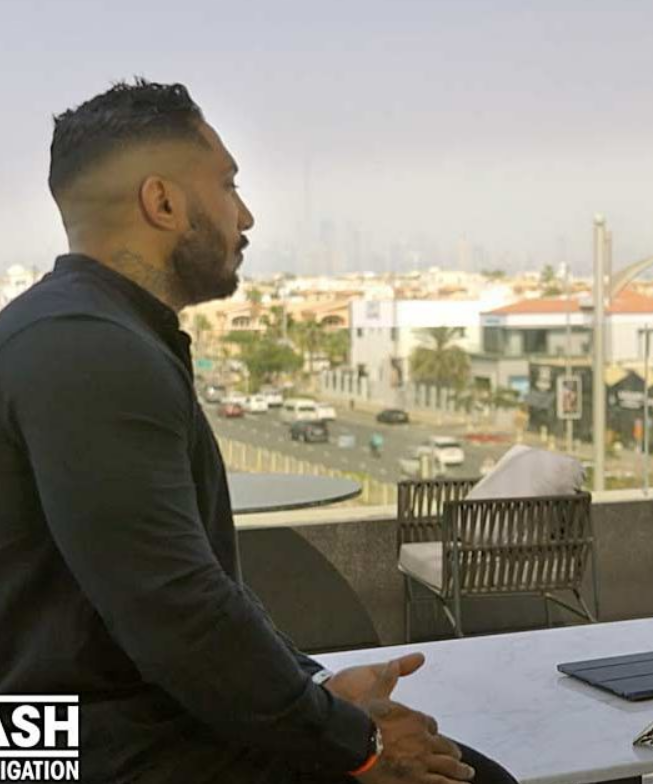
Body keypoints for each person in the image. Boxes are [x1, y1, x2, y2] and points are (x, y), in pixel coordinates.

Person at [0, 79, 517, 784]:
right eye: (228, 185)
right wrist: (357, 745)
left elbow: (193, 588)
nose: (245, 216)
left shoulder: (88, 330)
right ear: (162, 202)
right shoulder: (89, 348)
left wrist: (314, 688)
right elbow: (179, 609)